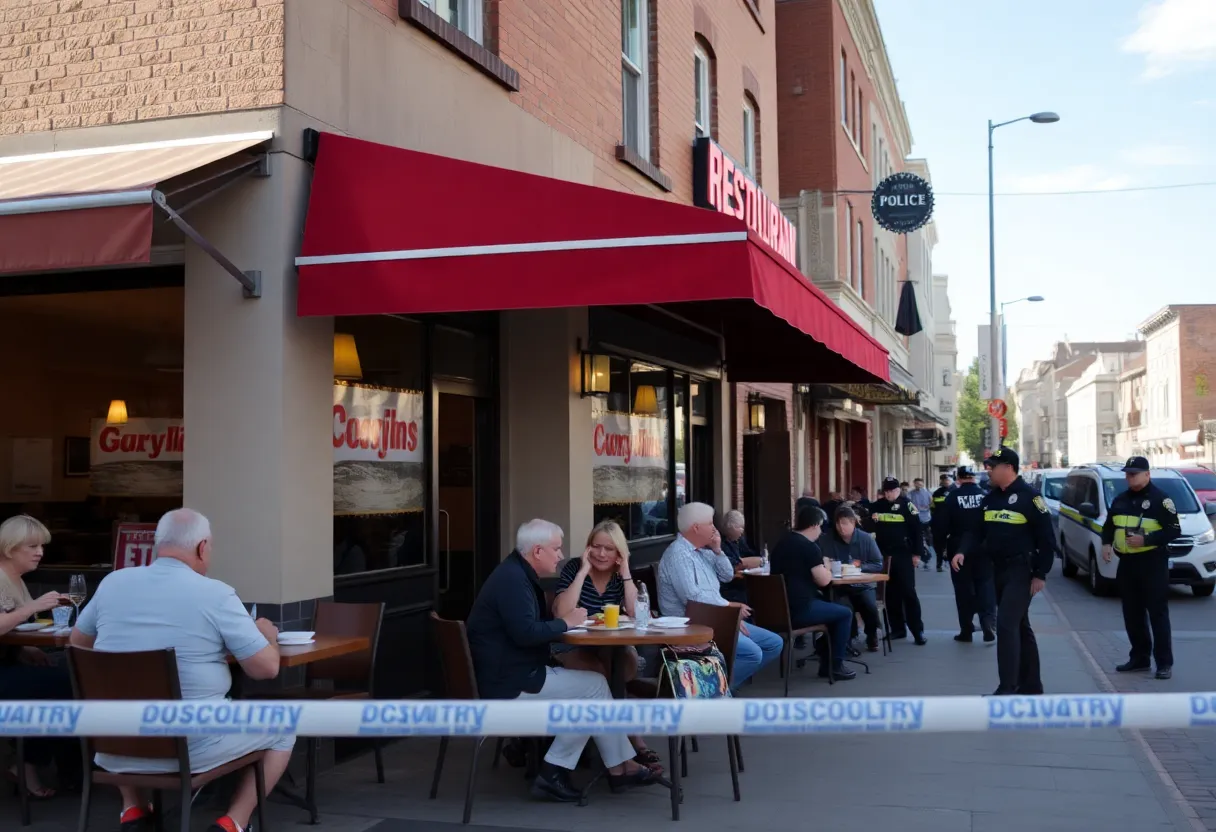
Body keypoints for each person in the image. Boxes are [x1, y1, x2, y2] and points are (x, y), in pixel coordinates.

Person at [70, 509, 293, 832]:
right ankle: (234, 823)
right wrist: (266, 636)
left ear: (157, 545)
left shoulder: (113, 583)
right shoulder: (215, 594)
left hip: (111, 747)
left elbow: (79, 643)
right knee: (284, 725)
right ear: (202, 547)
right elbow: (266, 669)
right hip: (189, 748)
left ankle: (133, 808)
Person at [466, 519, 657, 802]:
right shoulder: (512, 580)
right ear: (538, 551)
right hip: (510, 684)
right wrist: (566, 622)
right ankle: (567, 769)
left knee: (592, 689)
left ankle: (613, 768)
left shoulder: (514, 574)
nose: (560, 554)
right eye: (556, 549)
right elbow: (526, 634)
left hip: (511, 674)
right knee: (593, 689)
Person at [551, 520, 661, 771]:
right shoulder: (573, 568)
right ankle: (631, 745)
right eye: (596, 546)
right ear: (588, 548)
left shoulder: (619, 576)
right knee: (599, 676)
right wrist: (582, 572)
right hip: (571, 646)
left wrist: (625, 574)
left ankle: (613, 746)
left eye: (609, 549)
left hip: (612, 646)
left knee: (626, 667)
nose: (601, 554)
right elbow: (562, 613)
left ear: (619, 553)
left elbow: (637, 614)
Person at [953, 447, 1056, 695]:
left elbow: (1047, 539)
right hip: (997, 569)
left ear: (1008, 468)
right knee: (1020, 625)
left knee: (1007, 624)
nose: (988, 469)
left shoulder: (1030, 498)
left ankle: (1007, 687)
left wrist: (1041, 573)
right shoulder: (990, 498)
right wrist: (962, 551)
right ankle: (1032, 684)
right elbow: (975, 531)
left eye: (993, 465)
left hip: (1022, 570)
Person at [657, 502, 783, 689]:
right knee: (752, 654)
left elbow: (727, 575)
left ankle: (716, 690)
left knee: (774, 643)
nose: (715, 529)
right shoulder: (679, 554)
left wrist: (717, 550)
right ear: (696, 528)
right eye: (711, 524)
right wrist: (729, 608)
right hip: (691, 624)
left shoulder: (702, 552)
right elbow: (694, 598)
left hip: (714, 618)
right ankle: (713, 692)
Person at [0, 515, 77, 799]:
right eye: (31, 546)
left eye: (41, 546)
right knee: (63, 686)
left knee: (64, 677)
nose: (40, 552)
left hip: (9, 665)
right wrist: (33, 606)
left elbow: (9, 631)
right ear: (9, 548)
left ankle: (46, 766)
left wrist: (26, 650)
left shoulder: (15, 579)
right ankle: (31, 765)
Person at [1101, 456, 1181, 680]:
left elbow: (1174, 530)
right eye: (1127, 473)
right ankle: (1139, 658)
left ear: (1147, 474)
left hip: (1152, 563)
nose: (1129, 477)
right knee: (1132, 614)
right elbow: (1109, 525)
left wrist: (1147, 540)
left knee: (1157, 614)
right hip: (1127, 564)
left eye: (1134, 473)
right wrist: (1106, 543)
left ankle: (1164, 663)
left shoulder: (1161, 500)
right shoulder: (1120, 499)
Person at [770, 504, 856, 681]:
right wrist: (827, 566)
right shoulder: (809, 547)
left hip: (777, 610)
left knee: (834, 611)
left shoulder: (782, 543)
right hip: (801, 609)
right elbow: (824, 580)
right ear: (815, 525)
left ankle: (826, 659)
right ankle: (835, 665)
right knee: (844, 613)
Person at [936, 467, 995, 643]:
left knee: (963, 590)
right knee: (985, 585)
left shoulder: (952, 497)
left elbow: (940, 526)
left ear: (959, 479)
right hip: (983, 548)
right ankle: (987, 623)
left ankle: (966, 630)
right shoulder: (985, 496)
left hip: (958, 548)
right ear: (975, 478)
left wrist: (941, 549)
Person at [818, 505, 884, 652]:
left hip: (863, 585)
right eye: (838, 523)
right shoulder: (827, 539)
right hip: (839, 586)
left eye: (845, 523)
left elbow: (878, 563)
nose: (841, 528)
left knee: (869, 605)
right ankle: (846, 639)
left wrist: (859, 567)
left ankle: (871, 634)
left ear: (853, 523)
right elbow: (819, 560)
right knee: (843, 607)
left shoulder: (865, 539)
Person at [869, 477, 926, 645]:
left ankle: (917, 631)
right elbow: (868, 524)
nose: (889, 494)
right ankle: (897, 629)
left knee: (908, 592)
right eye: (886, 491)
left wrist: (917, 554)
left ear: (898, 491)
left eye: (892, 491)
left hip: (903, 554)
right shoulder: (877, 506)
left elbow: (917, 531)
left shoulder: (907, 506)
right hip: (884, 555)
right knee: (890, 594)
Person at [718, 510, 762, 604]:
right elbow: (735, 565)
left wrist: (751, 561)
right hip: (729, 587)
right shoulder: (720, 544)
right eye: (740, 527)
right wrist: (746, 562)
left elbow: (752, 555)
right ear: (731, 527)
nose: (742, 531)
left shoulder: (739, 540)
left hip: (741, 582)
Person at [908, 478, 936, 571]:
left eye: (920, 484)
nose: (918, 486)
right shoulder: (911, 494)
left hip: (926, 519)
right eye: (916, 484)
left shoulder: (927, 493)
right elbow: (909, 505)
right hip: (916, 519)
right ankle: (923, 557)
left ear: (923, 484)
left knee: (926, 539)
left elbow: (932, 503)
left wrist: (927, 507)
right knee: (919, 538)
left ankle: (927, 555)